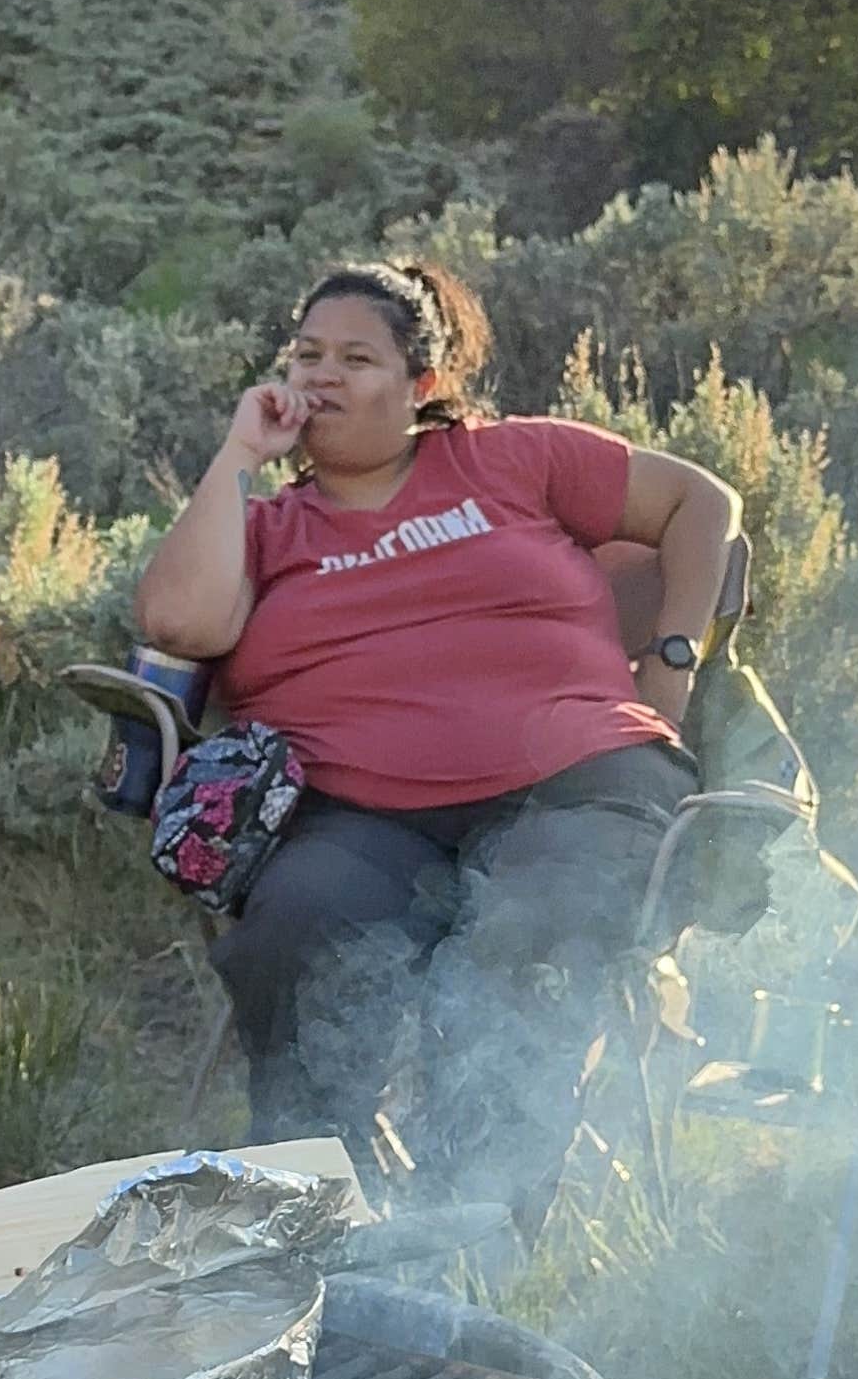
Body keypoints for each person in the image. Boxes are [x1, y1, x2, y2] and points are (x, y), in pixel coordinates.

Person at [129, 259, 742, 1201]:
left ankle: (477, 1223)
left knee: (533, 935)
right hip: (360, 814)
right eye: (306, 356)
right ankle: (325, 1210)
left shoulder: (512, 460)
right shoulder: (268, 529)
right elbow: (177, 625)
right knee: (291, 932)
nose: (320, 377)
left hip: (574, 783)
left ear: (423, 386)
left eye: (357, 358)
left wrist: (670, 659)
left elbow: (703, 503)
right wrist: (235, 459)